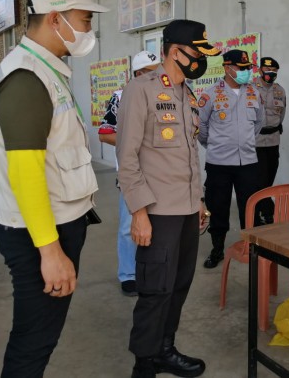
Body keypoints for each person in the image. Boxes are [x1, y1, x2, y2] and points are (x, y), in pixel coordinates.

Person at [0, 0, 108, 377]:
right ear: (57, 19)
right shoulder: (26, 78)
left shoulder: (45, 70)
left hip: (53, 226)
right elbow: (25, 173)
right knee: (33, 342)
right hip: (40, 234)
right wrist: (50, 252)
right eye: (85, 19)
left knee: (40, 335)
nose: (89, 29)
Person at [116, 19, 219, 378]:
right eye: (197, 54)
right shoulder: (140, 90)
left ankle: (164, 349)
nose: (201, 61)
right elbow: (126, 159)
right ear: (175, 52)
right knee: (155, 291)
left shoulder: (186, 94)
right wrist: (139, 213)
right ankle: (144, 364)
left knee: (179, 284)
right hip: (158, 213)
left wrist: (200, 200)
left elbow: (189, 155)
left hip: (188, 209)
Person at [98, 50, 159, 297]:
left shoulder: (166, 94)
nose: (157, 77)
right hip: (132, 173)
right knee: (128, 225)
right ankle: (128, 274)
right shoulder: (120, 97)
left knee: (158, 224)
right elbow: (105, 132)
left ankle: (151, 270)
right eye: (151, 73)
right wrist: (138, 143)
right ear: (138, 74)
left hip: (159, 173)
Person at [198, 49, 264, 268]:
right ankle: (217, 249)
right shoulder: (210, 94)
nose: (246, 72)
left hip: (248, 162)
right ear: (227, 68)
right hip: (219, 163)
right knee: (218, 207)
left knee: (250, 207)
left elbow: (258, 123)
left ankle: (250, 247)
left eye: (247, 68)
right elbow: (202, 127)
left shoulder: (254, 92)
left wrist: (244, 142)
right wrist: (216, 145)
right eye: (241, 68)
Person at [253, 56, 285, 224]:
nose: (270, 74)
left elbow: (282, 115)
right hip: (255, 141)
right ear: (260, 71)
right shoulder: (250, 88)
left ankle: (264, 210)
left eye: (274, 71)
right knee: (259, 180)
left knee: (269, 178)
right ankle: (264, 212)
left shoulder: (280, 91)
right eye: (267, 71)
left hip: (273, 141)